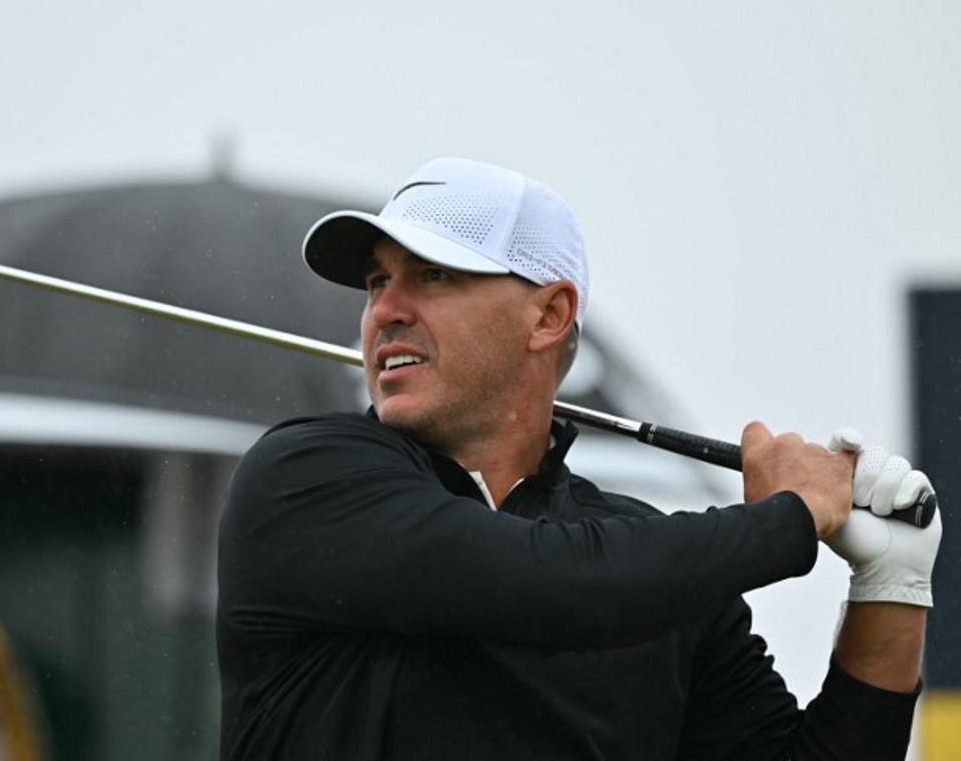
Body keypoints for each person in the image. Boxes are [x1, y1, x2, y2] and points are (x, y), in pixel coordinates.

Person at [216, 157, 942, 759]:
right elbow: (546, 584)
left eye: (433, 275)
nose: (386, 309)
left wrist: (893, 588)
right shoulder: (304, 478)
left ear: (549, 315)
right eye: (378, 282)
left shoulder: (665, 579)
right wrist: (792, 516)